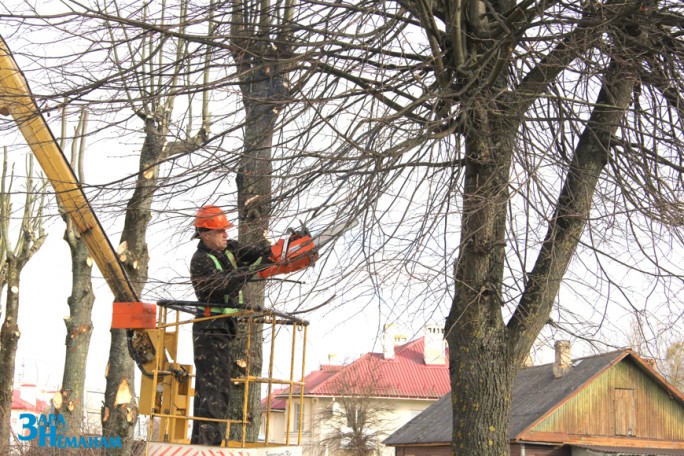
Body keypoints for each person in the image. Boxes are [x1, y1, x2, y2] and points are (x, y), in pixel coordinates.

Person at [189, 204, 272, 446]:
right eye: (220, 231)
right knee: (213, 390)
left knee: (217, 388)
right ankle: (207, 446)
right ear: (205, 234)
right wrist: (250, 269)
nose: (226, 235)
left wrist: (275, 252)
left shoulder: (230, 248)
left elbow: (255, 252)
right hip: (208, 329)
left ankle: (204, 442)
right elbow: (223, 285)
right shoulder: (200, 261)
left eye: (226, 230)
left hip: (223, 327)